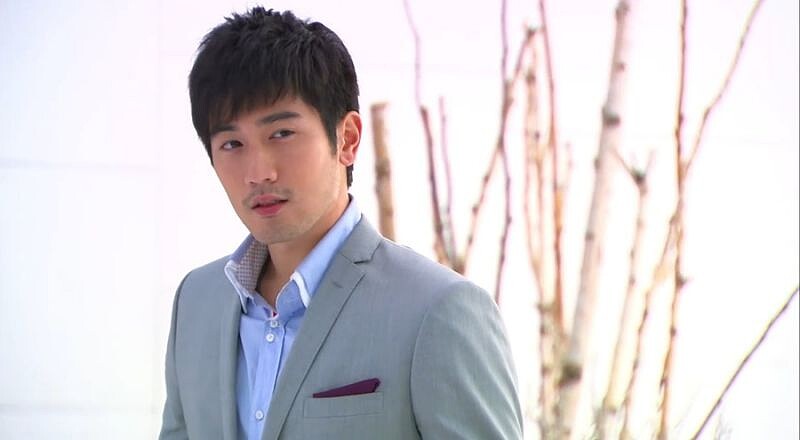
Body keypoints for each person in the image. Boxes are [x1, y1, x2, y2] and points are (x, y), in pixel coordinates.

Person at [159, 6, 522, 440]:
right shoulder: (197, 302)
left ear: (347, 138)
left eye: (281, 134)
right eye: (232, 143)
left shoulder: (438, 311)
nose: (258, 172)